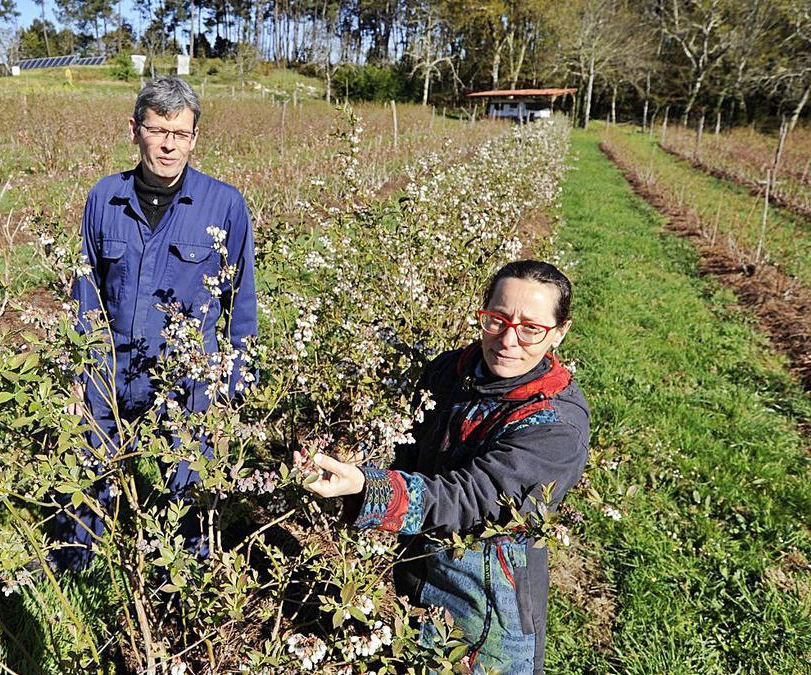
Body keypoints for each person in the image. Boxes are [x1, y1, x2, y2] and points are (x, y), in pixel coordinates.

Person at [299, 260, 589, 674]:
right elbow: (409, 447)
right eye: (497, 319)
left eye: (530, 328)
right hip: (417, 570)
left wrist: (369, 488)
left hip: (489, 599)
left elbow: (472, 499)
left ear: (559, 332)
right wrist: (346, 459)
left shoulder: (557, 426)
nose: (508, 340)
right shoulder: (453, 370)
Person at [54, 76, 257, 571]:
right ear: (134, 130)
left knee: (186, 477)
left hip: (187, 374)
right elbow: (87, 292)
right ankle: (77, 564)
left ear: (195, 137)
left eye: (180, 133)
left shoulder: (224, 205)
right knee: (90, 464)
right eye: (157, 129)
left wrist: (235, 382)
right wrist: (80, 371)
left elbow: (241, 303)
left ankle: (183, 574)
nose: (168, 145)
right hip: (110, 363)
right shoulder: (105, 198)